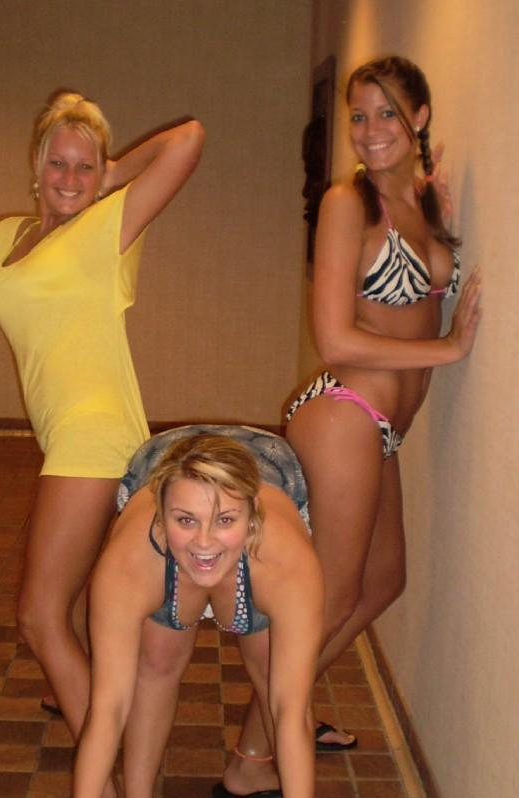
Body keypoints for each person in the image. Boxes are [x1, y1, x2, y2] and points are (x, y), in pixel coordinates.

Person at [0, 91, 204, 798]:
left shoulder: (110, 225)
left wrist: (113, 173)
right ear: (36, 165)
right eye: (59, 162)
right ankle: (126, 761)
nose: (71, 178)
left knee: (38, 617)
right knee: (75, 613)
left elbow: (189, 138)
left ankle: (108, 782)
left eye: (85, 165)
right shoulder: (6, 237)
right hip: (66, 438)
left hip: (96, 436)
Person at [284, 56, 481, 748]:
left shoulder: (421, 204)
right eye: (359, 117)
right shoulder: (348, 204)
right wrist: (447, 349)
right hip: (345, 411)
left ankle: (279, 716)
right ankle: (256, 753)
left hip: (380, 431)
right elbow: (336, 338)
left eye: (387, 113)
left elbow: (418, 293)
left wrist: (435, 216)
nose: (369, 131)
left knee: (384, 582)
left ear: (419, 117)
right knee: (335, 595)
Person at [73, 426, 324, 798]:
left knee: (271, 672)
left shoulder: (287, 567)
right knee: (156, 663)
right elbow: (108, 710)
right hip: (163, 456)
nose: (204, 542)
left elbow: (291, 711)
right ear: (161, 517)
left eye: (225, 520)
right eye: (186, 520)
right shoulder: (128, 567)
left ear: (252, 518)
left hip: (268, 459)